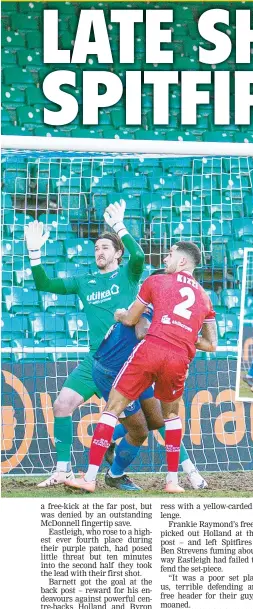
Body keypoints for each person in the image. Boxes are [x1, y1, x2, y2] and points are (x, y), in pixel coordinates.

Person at [65, 241, 217, 494]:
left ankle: (97, 476)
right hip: (113, 367)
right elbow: (212, 345)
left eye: (169, 255)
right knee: (153, 423)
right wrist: (183, 334)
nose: (165, 259)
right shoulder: (204, 296)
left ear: (181, 262)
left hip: (147, 355)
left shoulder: (155, 285)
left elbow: (139, 326)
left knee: (138, 418)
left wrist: (123, 315)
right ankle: (173, 480)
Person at [24, 201, 145, 487]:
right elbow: (44, 285)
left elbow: (139, 255)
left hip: (129, 361)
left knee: (148, 423)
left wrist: (119, 226)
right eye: (96, 248)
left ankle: (182, 471)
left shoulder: (128, 274)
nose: (99, 252)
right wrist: (34, 253)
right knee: (62, 405)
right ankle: (62, 470)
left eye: (105, 247)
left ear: (117, 253)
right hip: (96, 359)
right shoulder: (84, 281)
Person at [91, 279, 207, 491]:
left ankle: (112, 437)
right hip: (113, 371)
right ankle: (114, 474)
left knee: (157, 420)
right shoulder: (148, 308)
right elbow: (142, 332)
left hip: (139, 368)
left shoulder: (167, 312)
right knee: (140, 431)